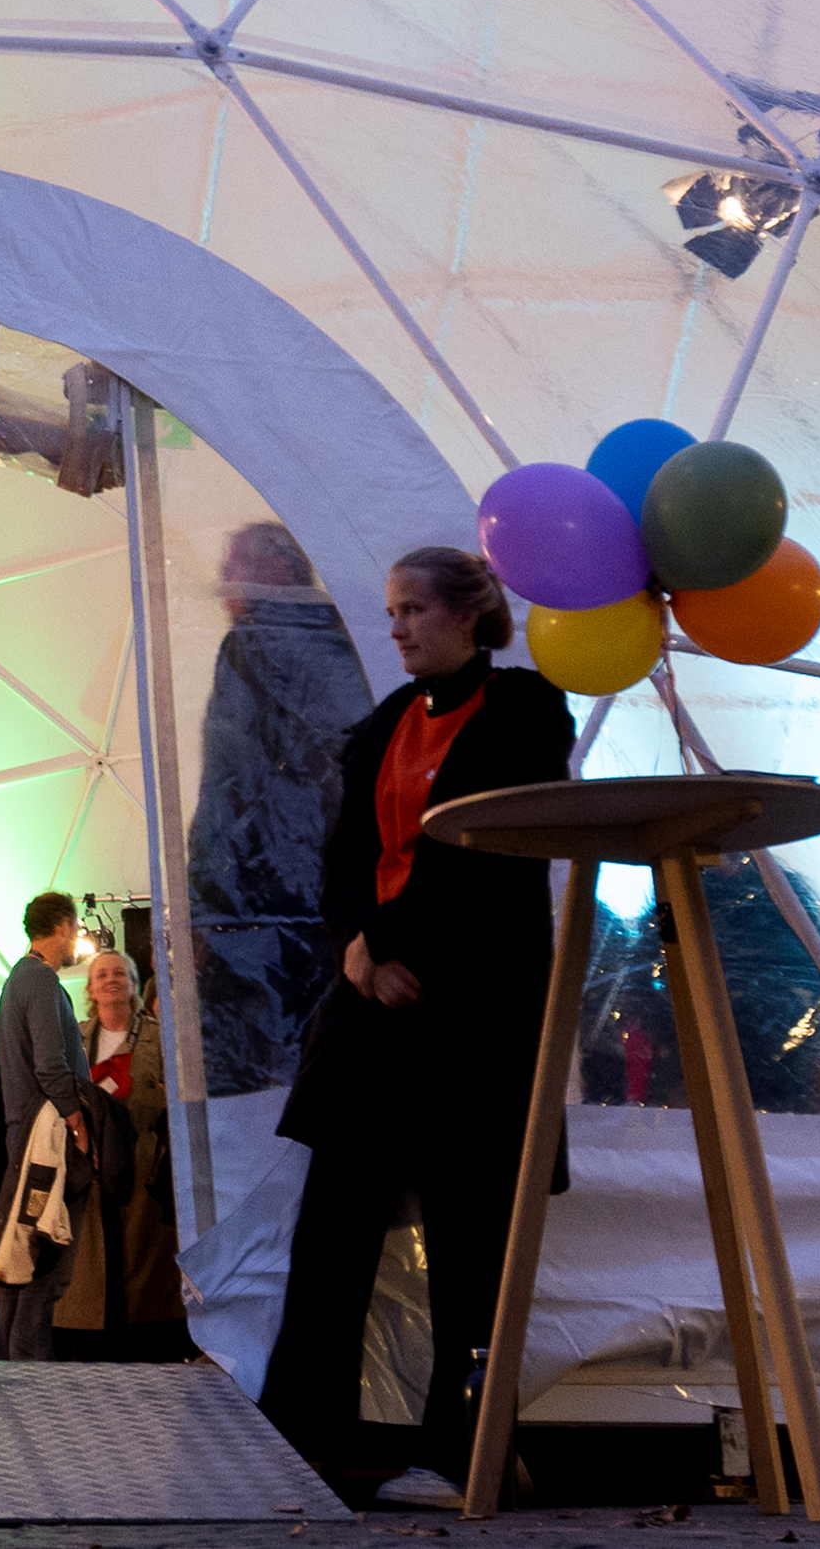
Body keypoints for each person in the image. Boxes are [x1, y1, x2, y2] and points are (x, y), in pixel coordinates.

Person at [256, 546, 568, 1511]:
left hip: (469, 1012)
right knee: (330, 1237)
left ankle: (466, 1449)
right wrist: (358, 947)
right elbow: (348, 855)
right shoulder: (386, 725)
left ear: (470, 615)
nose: (395, 629)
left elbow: (487, 854)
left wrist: (389, 940)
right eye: (389, 612)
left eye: (413, 611)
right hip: (371, 1013)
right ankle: (299, 1443)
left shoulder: (521, 713)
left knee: (473, 1242)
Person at [183, 523, 373, 1094]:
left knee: (257, 1081)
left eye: (236, 563)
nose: (223, 580)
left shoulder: (252, 645)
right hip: (338, 897)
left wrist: (205, 901)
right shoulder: (349, 643)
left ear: (282, 571)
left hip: (257, 907)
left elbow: (227, 784)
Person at [0, 892, 110, 1359]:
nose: (78, 938)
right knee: (45, 1262)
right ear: (61, 925)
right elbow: (51, 1065)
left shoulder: (18, 981)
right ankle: (32, 1383)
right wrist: (79, 1126)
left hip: (29, 1138)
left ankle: (15, 1377)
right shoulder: (39, 981)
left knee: (21, 1266)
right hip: (49, 1143)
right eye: (76, 928)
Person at [71, 945, 185, 1353]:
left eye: (120, 973)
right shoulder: (75, 1039)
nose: (111, 979)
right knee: (95, 1276)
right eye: (102, 975)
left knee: (144, 1280)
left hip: (143, 1174)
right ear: (90, 989)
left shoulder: (160, 1035)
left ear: (135, 985)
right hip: (90, 1174)